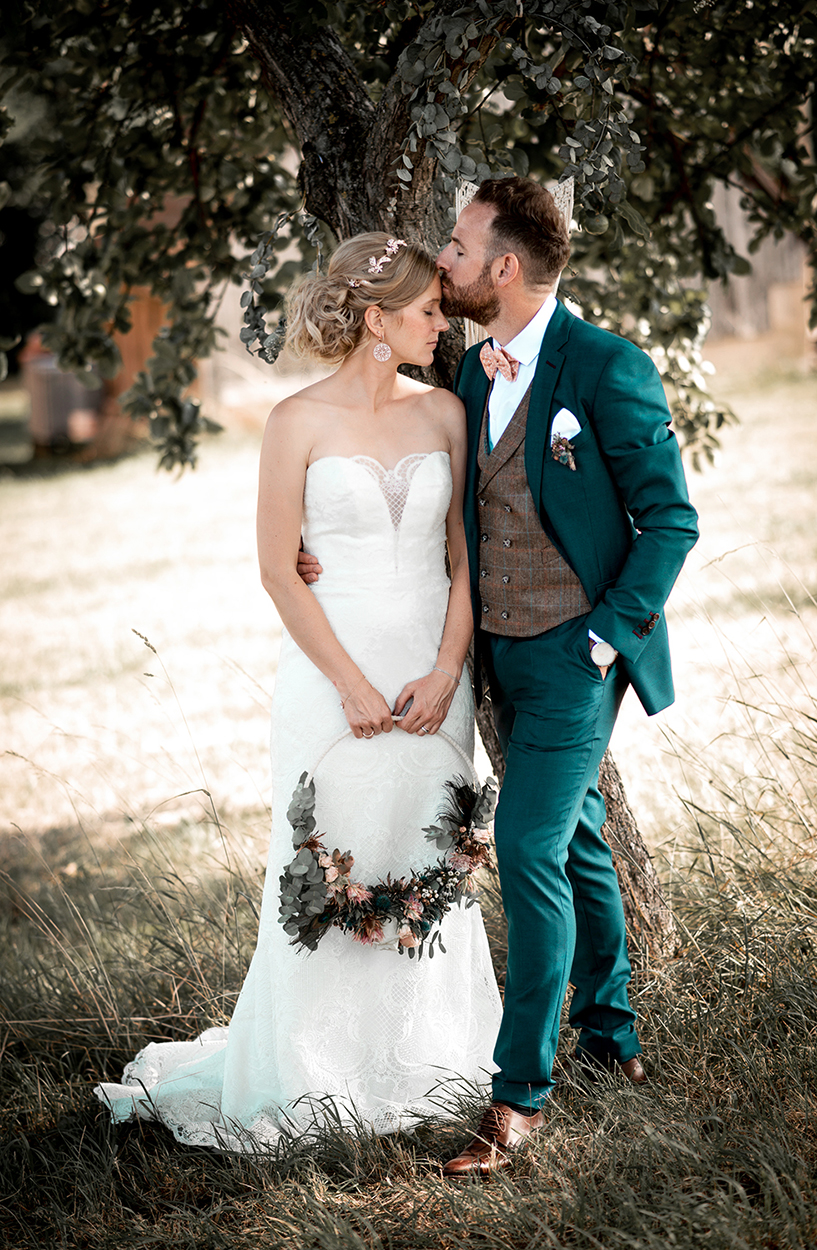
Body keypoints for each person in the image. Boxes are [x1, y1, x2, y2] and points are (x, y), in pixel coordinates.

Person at [300, 178, 700, 1178]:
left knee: (523, 844)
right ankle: (612, 1032)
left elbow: (672, 519)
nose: (445, 260)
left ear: (505, 267)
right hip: (493, 655)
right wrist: (327, 556)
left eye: (460, 245)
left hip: (576, 653)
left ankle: (517, 1099)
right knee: (573, 839)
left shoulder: (607, 366)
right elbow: (443, 510)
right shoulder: (470, 376)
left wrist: (605, 639)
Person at [93, 234, 502, 1149]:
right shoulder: (295, 422)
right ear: (376, 320)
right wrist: (350, 684)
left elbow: (464, 563)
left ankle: (432, 1052)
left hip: (434, 669)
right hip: (331, 673)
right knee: (326, 857)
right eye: (429, 311)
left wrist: (446, 670)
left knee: (428, 848)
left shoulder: (445, 414)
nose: (445, 325)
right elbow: (280, 573)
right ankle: (314, 1073)